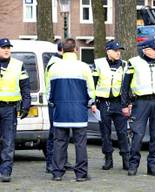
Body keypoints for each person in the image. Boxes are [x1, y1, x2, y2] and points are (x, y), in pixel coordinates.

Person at [46, 38, 96, 182]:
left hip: (60, 111)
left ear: (62, 50)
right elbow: (90, 90)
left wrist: (53, 103)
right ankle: (81, 174)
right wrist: (90, 102)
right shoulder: (84, 67)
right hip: (78, 111)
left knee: (59, 142)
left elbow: (49, 91)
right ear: (75, 50)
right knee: (80, 143)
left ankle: (57, 173)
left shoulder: (54, 67)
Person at [121, 39, 155, 176]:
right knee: (138, 134)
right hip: (140, 102)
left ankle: (152, 165)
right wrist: (125, 104)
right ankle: (133, 165)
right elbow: (125, 85)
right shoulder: (134, 62)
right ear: (145, 50)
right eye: (153, 49)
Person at [93, 40, 129, 170]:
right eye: (115, 50)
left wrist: (128, 103)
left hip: (119, 103)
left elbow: (127, 87)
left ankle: (126, 158)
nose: (118, 53)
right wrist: (92, 102)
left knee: (123, 132)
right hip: (104, 103)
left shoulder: (125, 65)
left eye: (119, 51)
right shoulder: (98, 64)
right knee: (105, 133)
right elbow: (93, 83)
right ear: (108, 51)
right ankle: (108, 158)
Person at [0, 38, 31, 182]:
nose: (7, 50)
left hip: (9, 108)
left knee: (8, 141)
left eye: (8, 47)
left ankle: (5, 172)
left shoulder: (18, 65)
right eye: (3, 47)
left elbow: (25, 87)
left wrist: (26, 105)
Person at [44, 42, 73, 173]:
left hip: (60, 101)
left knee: (62, 132)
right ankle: (51, 162)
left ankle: (62, 160)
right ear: (63, 51)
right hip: (56, 102)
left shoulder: (56, 62)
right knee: (55, 133)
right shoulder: (55, 64)